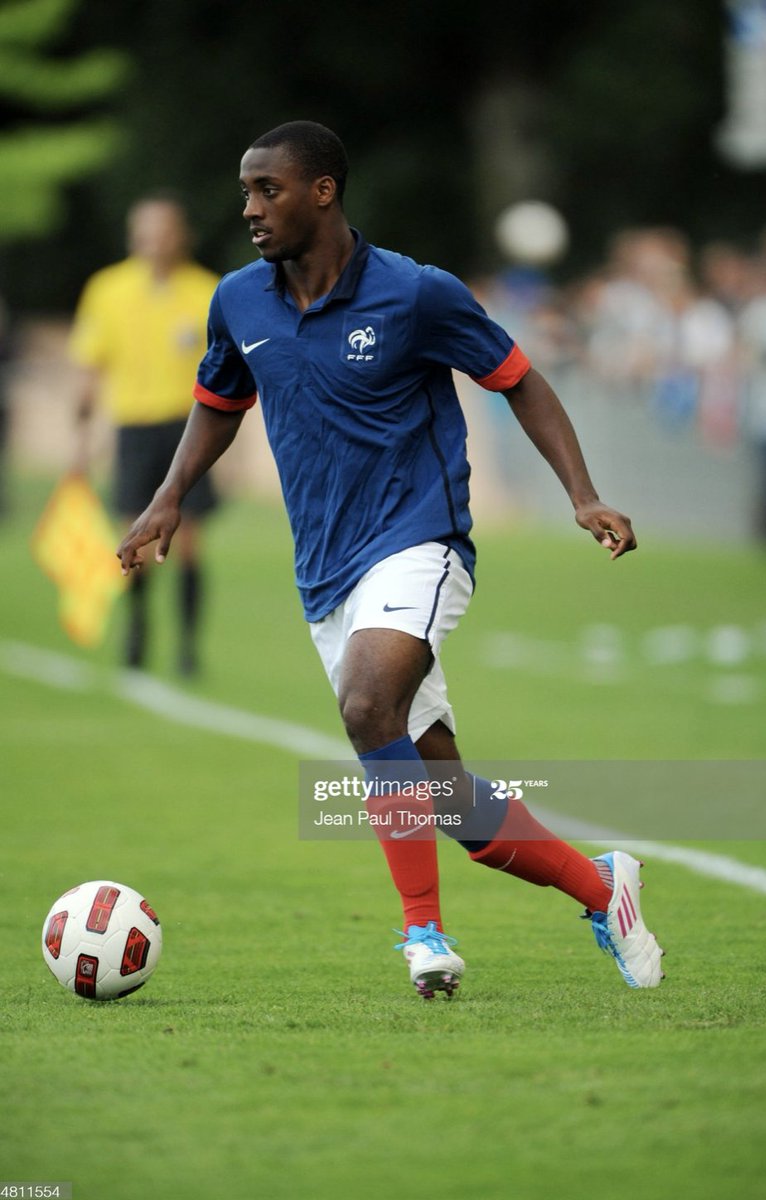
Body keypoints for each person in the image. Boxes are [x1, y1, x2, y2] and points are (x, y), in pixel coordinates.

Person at [117, 122, 665, 997]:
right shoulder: (239, 301)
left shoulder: (416, 293)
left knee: (367, 703)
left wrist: (582, 494)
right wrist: (169, 495)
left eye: (270, 190)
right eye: (246, 192)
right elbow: (220, 398)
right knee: (447, 799)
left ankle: (423, 936)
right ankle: (604, 889)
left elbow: (518, 376)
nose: (251, 209)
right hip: (326, 573)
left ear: (324, 191)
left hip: (420, 542)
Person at [70, 195, 220, 674]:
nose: (157, 240)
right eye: (147, 231)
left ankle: (188, 645)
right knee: (132, 537)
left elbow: (228, 373)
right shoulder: (108, 289)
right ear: (134, 236)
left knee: (189, 541)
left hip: (188, 428)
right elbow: (92, 364)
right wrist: (81, 438)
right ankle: (136, 630)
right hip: (133, 427)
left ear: (182, 235)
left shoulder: (207, 291)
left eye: (166, 230)